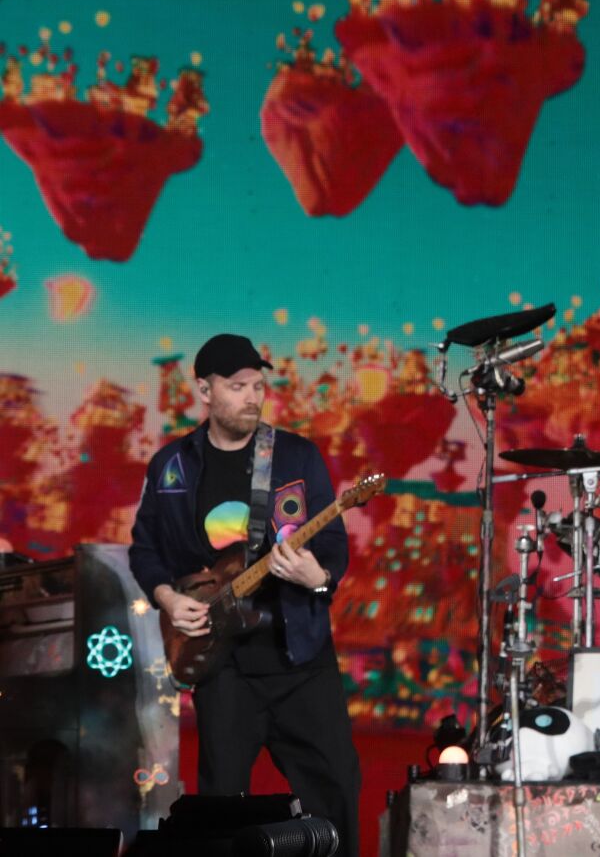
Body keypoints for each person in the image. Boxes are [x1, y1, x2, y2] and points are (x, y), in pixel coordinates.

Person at [129, 334, 360, 855]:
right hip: (222, 665)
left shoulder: (296, 456)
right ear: (205, 390)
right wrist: (168, 598)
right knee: (221, 809)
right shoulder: (172, 464)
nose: (252, 397)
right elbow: (145, 549)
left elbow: (332, 547)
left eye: (258, 386)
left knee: (335, 792)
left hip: (300, 660)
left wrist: (315, 576)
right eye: (237, 387)